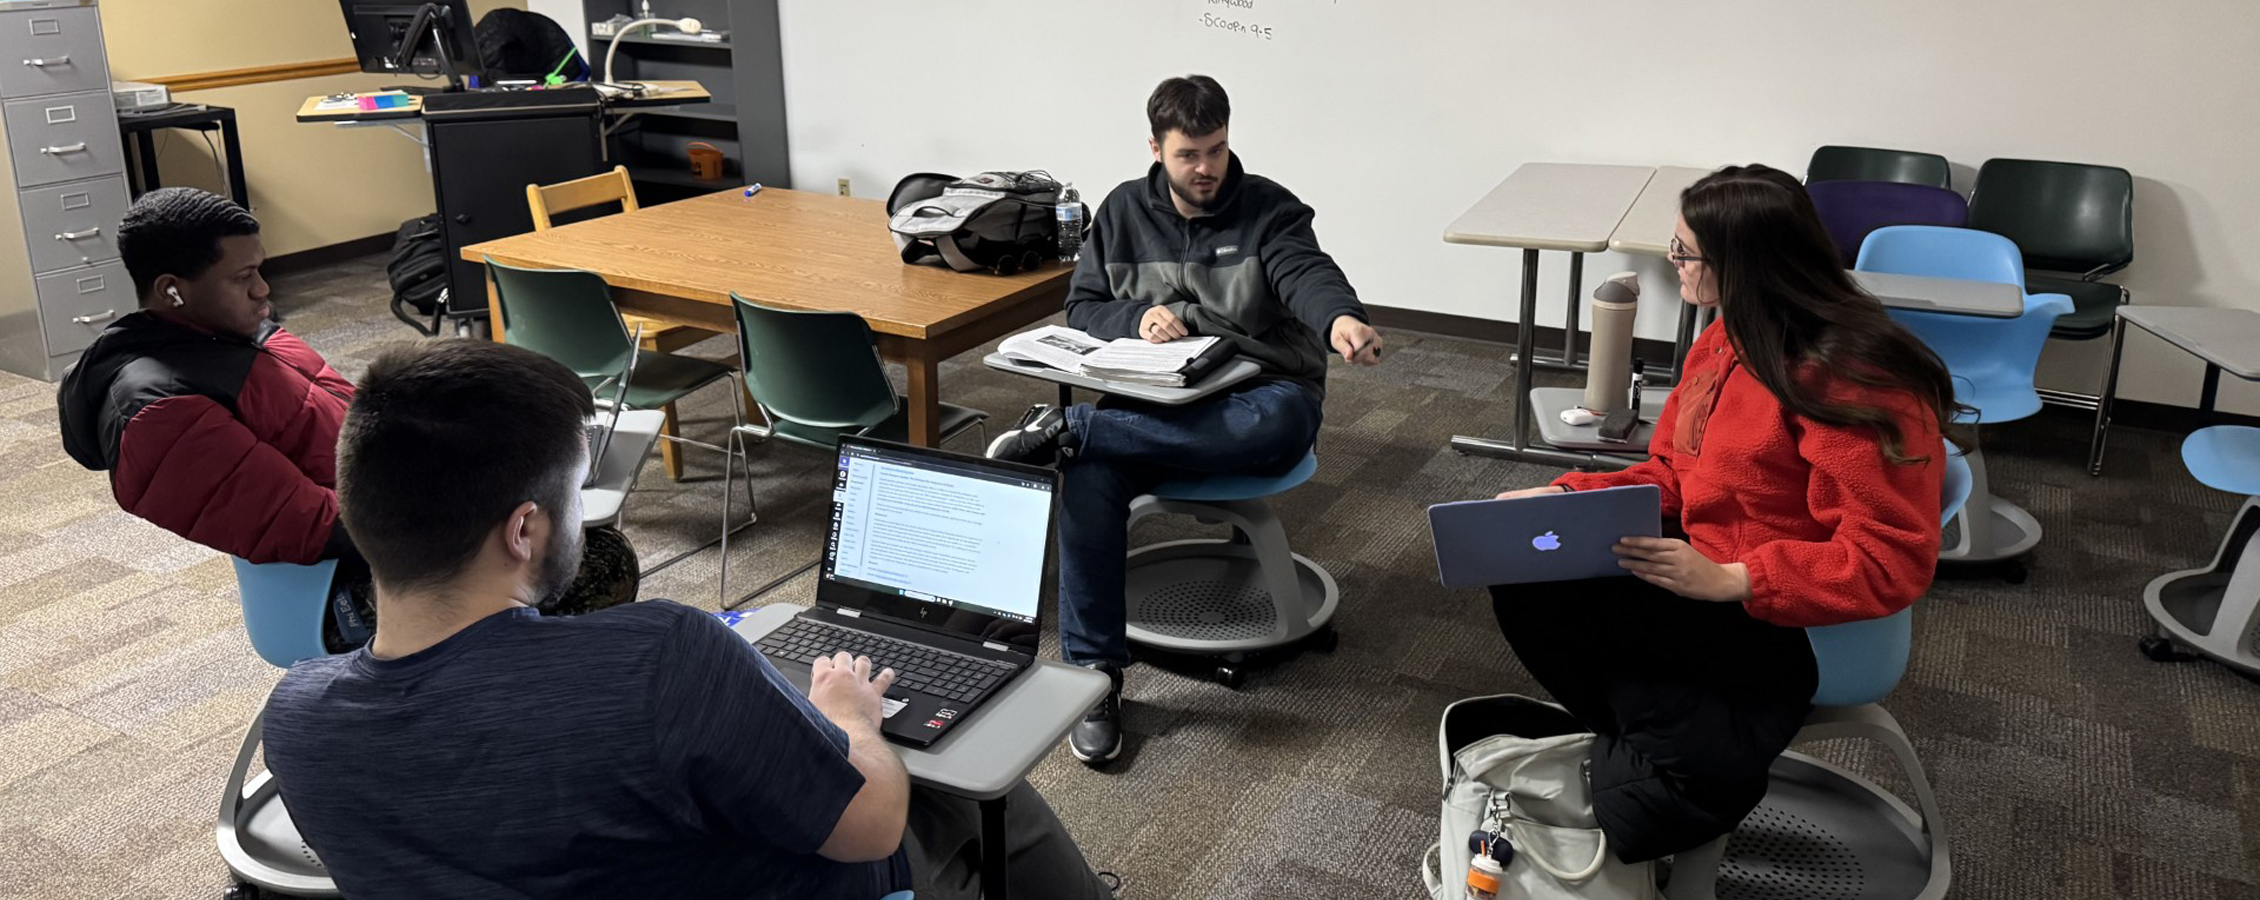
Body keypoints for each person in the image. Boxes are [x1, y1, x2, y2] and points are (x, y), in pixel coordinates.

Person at [262, 339, 1115, 900]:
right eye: (574, 492)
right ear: (523, 529)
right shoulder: (658, 655)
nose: (585, 512)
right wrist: (851, 723)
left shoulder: (294, 721)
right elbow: (871, 827)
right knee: (973, 790)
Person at [1485, 164, 1964, 862]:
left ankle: (1671, 777)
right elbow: (1677, 474)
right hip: (1711, 562)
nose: (1672, 264)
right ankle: (1661, 759)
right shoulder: (1726, 338)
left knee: (1590, 644)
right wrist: (1563, 496)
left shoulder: (1852, 377)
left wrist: (1737, 579)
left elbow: (1889, 560)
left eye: (1685, 253)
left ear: (1744, 264)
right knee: (1527, 574)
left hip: (1794, 603)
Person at [984, 74, 1385, 766]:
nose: (1206, 169)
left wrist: (1342, 318)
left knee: (1278, 426)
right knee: (1089, 474)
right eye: (1188, 154)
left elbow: (1305, 272)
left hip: (1260, 391)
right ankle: (1095, 678)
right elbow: (1083, 310)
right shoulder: (1119, 213)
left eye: (1218, 150)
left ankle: (1074, 431)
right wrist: (1135, 318)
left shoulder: (1269, 210)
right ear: (1154, 148)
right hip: (1154, 399)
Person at [56, 189, 632, 647]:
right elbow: (311, 527)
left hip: (395, 531)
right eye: (242, 278)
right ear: (172, 292)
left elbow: (363, 422)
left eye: (261, 268)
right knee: (592, 564)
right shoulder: (158, 411)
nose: (264, 290)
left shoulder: (241, 333)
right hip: (342, 588)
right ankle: (512, 726)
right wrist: (470, 516)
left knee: (564, 516)